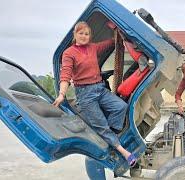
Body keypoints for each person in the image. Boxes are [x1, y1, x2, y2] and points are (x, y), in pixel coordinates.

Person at [53, 21, 137, 166]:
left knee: (121, 107)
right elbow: (65, 75)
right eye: (81, 33)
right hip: (85, 94)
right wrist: (62, 94)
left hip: (99, 88)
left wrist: (119, 32)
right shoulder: (69, 53)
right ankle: (124, 152)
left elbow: (111, 43)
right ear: (75, 34)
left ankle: (110, 138)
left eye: (86, 34)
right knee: (102, 126)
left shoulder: (93, 48)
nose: (84, 36)